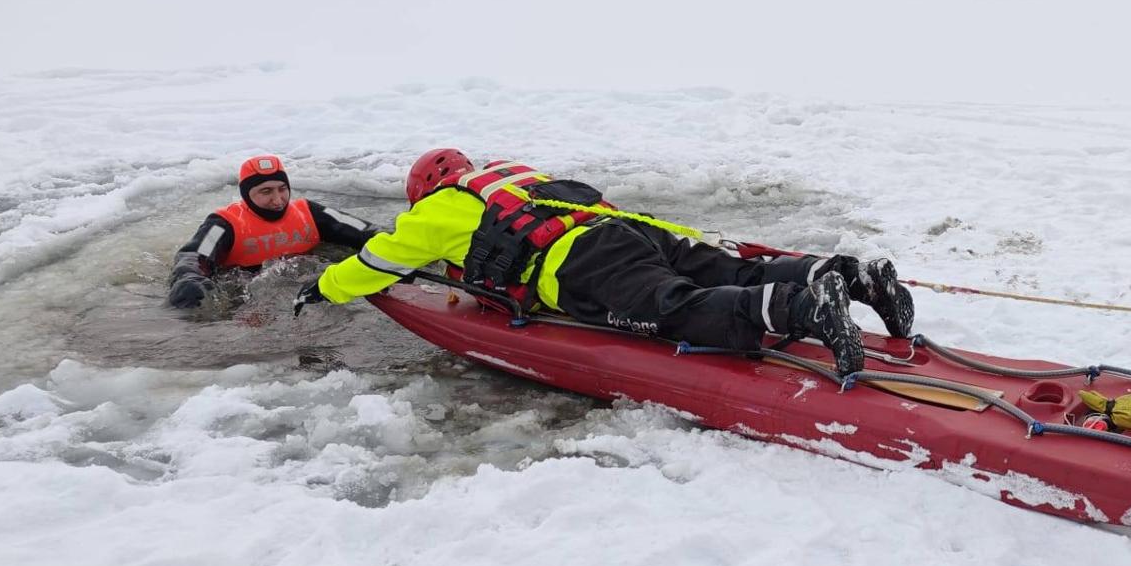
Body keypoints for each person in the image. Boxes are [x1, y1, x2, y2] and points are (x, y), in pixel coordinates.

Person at [292, 149, 914, 376]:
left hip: (581, 263)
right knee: (730, 271)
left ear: (425, 190)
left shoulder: (436, 211)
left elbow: (377, 262)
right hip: (631, 230)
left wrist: (326, 286)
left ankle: (805, 309)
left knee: (675, 307)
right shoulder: (515, 174)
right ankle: (848, 275)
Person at [167, 154, 377, 308]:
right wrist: (190, 280)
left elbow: (366, 230)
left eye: (282, 189)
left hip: (305, 286)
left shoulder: (310, 212)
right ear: (247, 195)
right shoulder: (224, 223)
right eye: (266, 191)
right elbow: (193, 256)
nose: (277, 200)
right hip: (245, 295)